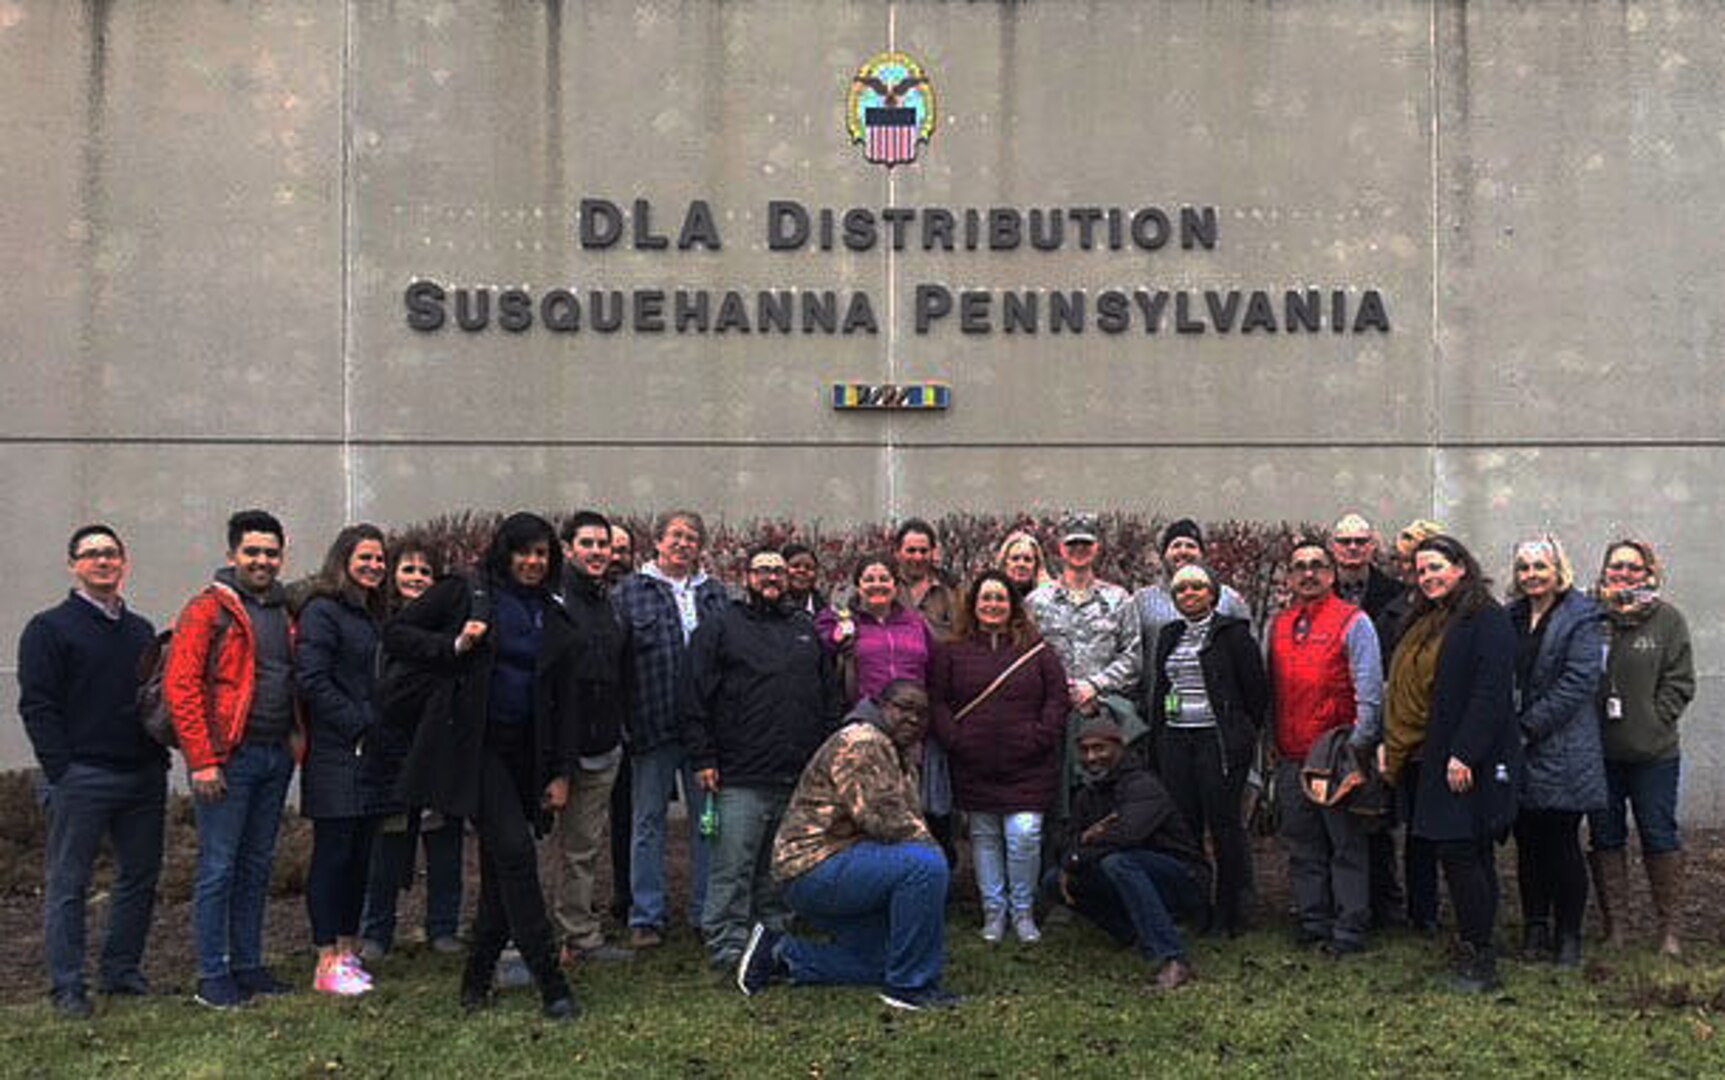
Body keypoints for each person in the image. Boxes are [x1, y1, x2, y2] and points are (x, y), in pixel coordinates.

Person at [389, 513, 580, 1019]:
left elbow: (563, 700)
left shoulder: (553, 613)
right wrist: (453, 645)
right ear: (505, 551)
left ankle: (475, 983)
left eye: (542, 553)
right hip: (477, 750)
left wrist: (561, 772)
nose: (534, 562)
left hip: (528, 756)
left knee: (502, 872)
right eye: (525, 552)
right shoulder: (466, 592)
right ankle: (552, 983)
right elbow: (399, 634)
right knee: (516, 854)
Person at [736, 681, 959, 1011]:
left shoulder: (896, 751)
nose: (912, 719)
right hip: (813, 865)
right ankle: (910, 989)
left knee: (885, 959)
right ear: (881, 705)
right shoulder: (862, 741)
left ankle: (781, 955)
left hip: (843, 862)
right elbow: (884, 819)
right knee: (925, 865)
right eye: (903, 708)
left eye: (921, 714)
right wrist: (935, 856)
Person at [18, 525, 163, 1018]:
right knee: (69, 884)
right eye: (92, 554)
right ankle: (68, 986)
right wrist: (61, 769)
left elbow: (152, 699)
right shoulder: (49, 628)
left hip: (142, 774)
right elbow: (37, 705)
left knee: (139, 878)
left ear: (124, 562)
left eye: (111, 554)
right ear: (73, 564)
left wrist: (158, 757)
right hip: (82, 776)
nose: (103, 561)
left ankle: (121, 972)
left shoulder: (140, 630)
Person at [167, 509, 301, 1010]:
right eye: (252, 552)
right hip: (228, 759)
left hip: (273, 756)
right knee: (219, 867)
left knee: (256, 865)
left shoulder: (284, 612)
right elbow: (183, 687)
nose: (262, 560)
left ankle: (248, 963)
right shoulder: (208, 610)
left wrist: (294, 741)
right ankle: (212, 972)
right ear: (232, 555)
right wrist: (203, 760)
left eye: (270, 552)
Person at [685, 548, 842, 969]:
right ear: (746, 576)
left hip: (796, 774)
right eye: (763, 571)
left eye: (779, 571)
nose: (772, 578)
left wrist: (826, 757)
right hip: (738, 773)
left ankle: (772, 931)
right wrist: (704, 757)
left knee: (777, 866)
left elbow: (829, 697)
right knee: (733, 865)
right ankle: (725, 940)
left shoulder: (804, 628)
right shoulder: (720, 628)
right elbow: (695, 697)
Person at [1384, 534, 1518, 992]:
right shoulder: (1430, 618)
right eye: (1421, 571)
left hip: (1466, 757)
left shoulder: (1487, 618)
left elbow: (1490, 693)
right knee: (1463, 851)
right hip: (1433, 752)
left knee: (1462, 851)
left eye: (1436, 566)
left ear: (1462, 566)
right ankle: (1474, 944)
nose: (1428, 577)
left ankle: (1481, 962)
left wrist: (1465, 752)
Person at [929, 570, 1068, 944]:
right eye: (985, 598)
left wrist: (1039, 737)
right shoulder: (952, 651)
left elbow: (1057, 699)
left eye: (1000, 599)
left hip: (1029, 765)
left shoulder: (1037, 650)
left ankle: (1022, 911)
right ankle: (994, 911)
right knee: (984, 836)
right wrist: (956, 740)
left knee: (1025, 833)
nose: (993, 605)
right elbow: (938, 701)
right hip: (973, 765)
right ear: (973, 605)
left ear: (1013, 605)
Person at [613, 510, 728, 948]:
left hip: (704, 733)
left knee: (707, 824)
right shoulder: (630, 593)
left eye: (692, 537)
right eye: (676, 536)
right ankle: (647, 915)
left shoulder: (716, 595)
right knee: (647, 823)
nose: (684, 543)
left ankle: (705, 911)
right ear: (658, 542)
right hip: (651, 725)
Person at [1266, 537, 1382, 956]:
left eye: (1318, 565)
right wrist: (1271, 746)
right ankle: (1313, 919)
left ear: (1332, 575)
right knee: (1302, 843)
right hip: (1291, 753)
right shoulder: (1278, 624)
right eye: (1299, 566)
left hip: (1335, 754)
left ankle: (1350, 926)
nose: (1308, 573)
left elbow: (1369, 692)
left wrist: (1359, 748)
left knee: (1346, 844)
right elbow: (1272, 692)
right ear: (1289, 576)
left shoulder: (1354, 621)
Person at [1587, 539, 1695, 957]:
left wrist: (1656, 717)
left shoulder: (1667, 620)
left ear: (1649, 573)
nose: (1624, 575)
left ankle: (1670, 930)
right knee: (1605, 835)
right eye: (1616, 567)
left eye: (1634, 568)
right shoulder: (1593, 618)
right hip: (1600, 752)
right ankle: (1618, 927)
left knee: (1658, 832)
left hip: (1654, 754)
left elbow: (1681, 680)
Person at [1146, 564, 1267, 936]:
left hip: (1217, 741)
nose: (1189, 594)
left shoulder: (1233, 636)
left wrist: (1242, 736)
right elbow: (1160, 688)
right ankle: (1193, 906)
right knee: (1184, 827)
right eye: (1180, 589)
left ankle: (1230, 913)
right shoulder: (1169, 635)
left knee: (1224, 827)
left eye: (1197, 587)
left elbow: (1256, 694)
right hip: (1176, 740)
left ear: (1213, 593)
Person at [360, 536, 464, 959]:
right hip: (390, 748)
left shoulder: (448, 628)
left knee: (444, 843)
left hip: (439, 747)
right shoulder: (378, 626)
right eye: (408, 570)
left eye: (425, 571)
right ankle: (377, 931)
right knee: (387, 846)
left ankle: (443, 925)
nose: (417, 578)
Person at [297, 524, 390, 996]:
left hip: (370, 755)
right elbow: (313, 681)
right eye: (365, 558)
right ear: (343, 560)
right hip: (338, 754)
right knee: (333, 856)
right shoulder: (323, 611)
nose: (374, 566)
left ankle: (348, 949)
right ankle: (325, 958)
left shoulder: (373, 615)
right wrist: (360, 724)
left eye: (379, 559)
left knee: (359, 858)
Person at [1051, 716, 1209, 991]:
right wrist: (1078, 849)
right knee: (1054, 881)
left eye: (1100, 748)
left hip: (1182, 877)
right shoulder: (1088, 795)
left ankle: (1173, 957)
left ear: (1120, 747)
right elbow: (1065, 840)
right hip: (1128, 873)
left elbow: (1127, 836)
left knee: (1118, 862)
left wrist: (1079, 852)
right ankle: (1132, 933)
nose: (1092, 757)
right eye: (1086, 750)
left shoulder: (1143, 784)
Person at [1506, 535, 1605, 968]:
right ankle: (1535, 926)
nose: (1531, 576)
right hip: (1520, 748)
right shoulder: (1511, 616)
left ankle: (1569, 935)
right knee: (1527, 842)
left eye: (1539, 567)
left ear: (1557, 570)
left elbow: (1579, 681)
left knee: (1561, 842)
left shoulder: (1581, 616)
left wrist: (1529, 725)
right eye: (1524, 568)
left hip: (1563, 747)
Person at [551, 511, 633, 964]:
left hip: (603, 745)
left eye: (604, 544)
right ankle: (510, 937)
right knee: (520, 847)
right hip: (552, 749)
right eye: (588, 544)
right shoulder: (552, 599)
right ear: (568, 548)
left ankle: (578, 935)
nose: (598, 552)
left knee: (582, 848)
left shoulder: (611, 603)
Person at [816, 554, 934, 708]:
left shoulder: (916, 623)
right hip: (865, 713)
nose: (877, 585)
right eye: (869, 580)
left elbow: (933, 668)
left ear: (896, 586)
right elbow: (824, 647)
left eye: (884, 579)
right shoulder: (841, 620)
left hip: (912, 713)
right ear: (858, 586)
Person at [1134, 519, 1252, 650]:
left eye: (1191, 546)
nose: (1183, 551)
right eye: (1176, 545)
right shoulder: (1142, 601)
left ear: (1202, 555)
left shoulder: (1229, 599)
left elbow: (1247, 650)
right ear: (1164, 555)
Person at [1329, 514, 1402, 619]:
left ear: (1373, 545)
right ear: (1332, 546)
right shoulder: (1320, 591)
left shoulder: (1396, 593)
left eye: (1360, 541)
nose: (1353, 547)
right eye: (1345, 541)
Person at [893, 519, 956, 636]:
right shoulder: (883, 588)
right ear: (897, 553)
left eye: (923, 551)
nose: (918, 557)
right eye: (911, 551)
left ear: (932, 552)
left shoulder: (952, 590)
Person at [995, 529, 1051, 597]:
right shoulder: (994, 597)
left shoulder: (1047, 594)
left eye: (1027, 560)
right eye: (1015, 558)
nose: (1021, 564)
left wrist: (1046, 590)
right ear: (1005, 563)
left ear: (1036, 566)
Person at [782, 542, 828, 616]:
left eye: (808, 567)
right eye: (795, 566)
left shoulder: (826, 612)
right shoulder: (769, 608)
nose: (802, 571)